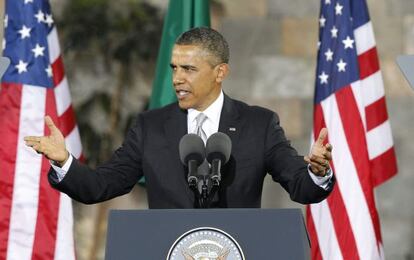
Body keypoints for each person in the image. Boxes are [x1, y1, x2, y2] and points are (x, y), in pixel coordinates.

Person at [24, 27, 334, 208]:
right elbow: (100, 186)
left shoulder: (259, 124)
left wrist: (318, 173)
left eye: (188, 69)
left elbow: (301, 187)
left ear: (220, 73)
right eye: (174, 68)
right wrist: (63, 161)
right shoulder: (150, 127)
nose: (177, 78)